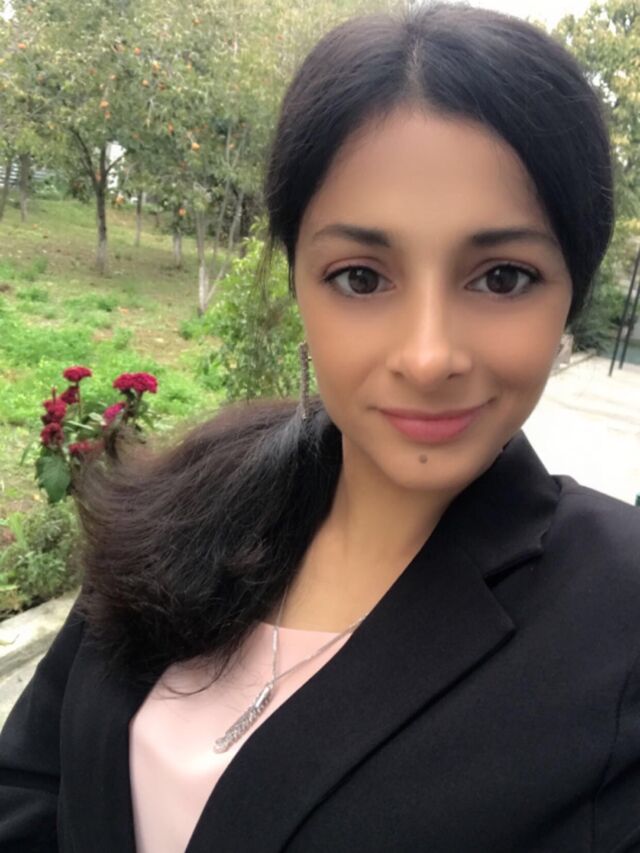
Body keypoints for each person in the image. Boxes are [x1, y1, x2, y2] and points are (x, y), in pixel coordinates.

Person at [1, 2, 639, 851]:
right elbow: (33, 781)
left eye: (502, 277)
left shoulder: (618, 617)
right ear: (297, 279)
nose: (427, 356)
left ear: (570, 293)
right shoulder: (184, 499)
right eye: (362, 277)